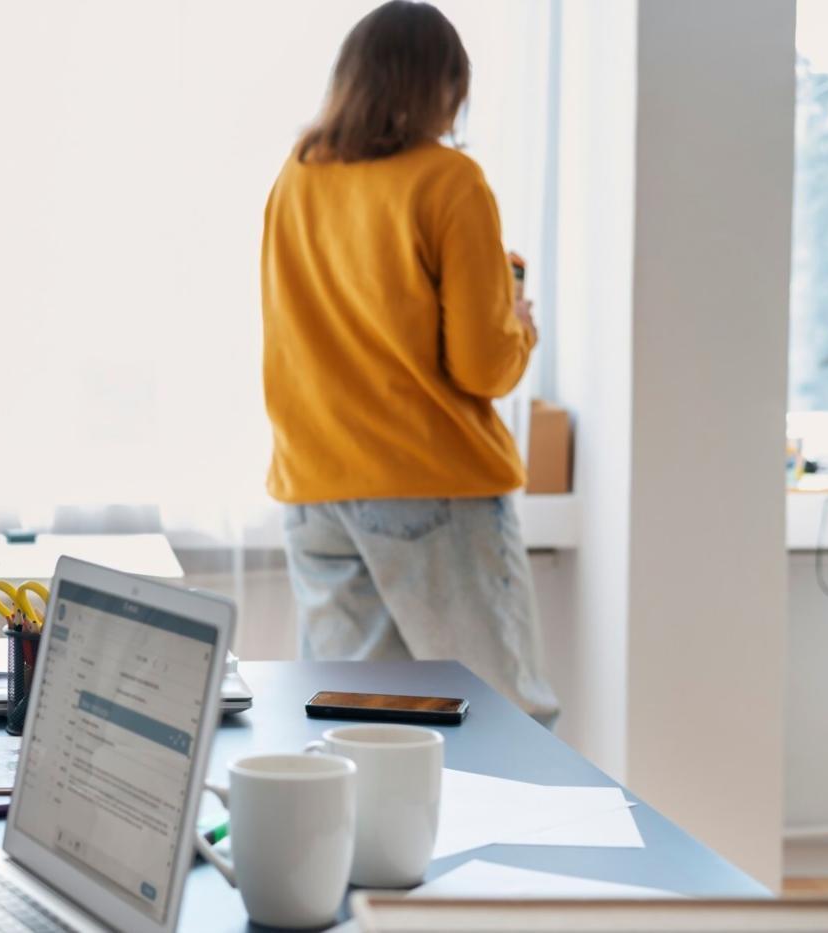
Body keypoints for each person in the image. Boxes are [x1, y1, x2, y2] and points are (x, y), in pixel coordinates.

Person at [261, 1, 559, 722]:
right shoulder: (448, 180)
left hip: (314, 491)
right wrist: (517, 326)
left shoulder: (296, 178)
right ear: (445, 86)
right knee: (504, 720)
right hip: (431, 486)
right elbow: (482, 367)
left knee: (358, 723)